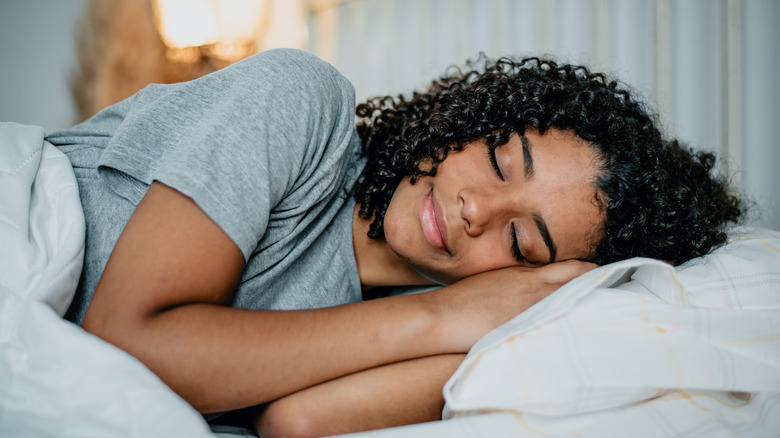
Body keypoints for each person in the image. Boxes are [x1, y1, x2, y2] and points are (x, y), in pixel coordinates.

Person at [47, 48, 741, 437]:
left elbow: (300, 423)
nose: (476, 209)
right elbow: (121, 348)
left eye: (522, 240)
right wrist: (439, 316)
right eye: (500, 161)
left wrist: (482, 323)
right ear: (473, 120)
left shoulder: (445, 323)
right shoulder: (301, 103)